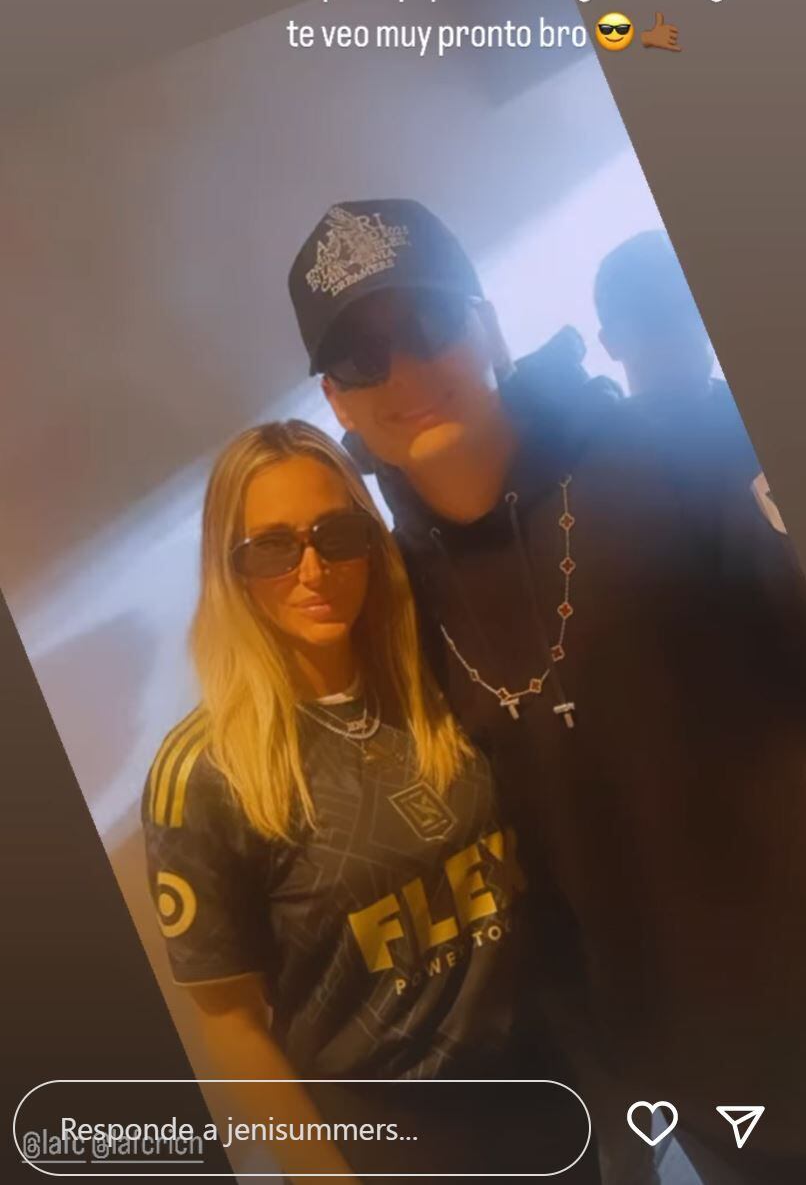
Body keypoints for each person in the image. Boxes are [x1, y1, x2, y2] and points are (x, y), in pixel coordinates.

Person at [288, 200, 806, 1185]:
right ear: (337, 399)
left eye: (430, 323)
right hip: (682, 1084)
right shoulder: (388, 612)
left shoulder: (672, 452)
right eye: (362, 356)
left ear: (485, 325)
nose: (406, 371)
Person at [142, 419, 597, 1182]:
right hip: (395, 1141)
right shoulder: (203, 772)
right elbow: (231, 1022)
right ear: (229, 567)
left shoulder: (435, 676)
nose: (312, 569)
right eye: (273, 546)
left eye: (337, 534)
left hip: (544, 1090)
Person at [594, 230, 761, 486]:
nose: (686, 327)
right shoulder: (598, 461)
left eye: (691, 305)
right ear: (611, 343)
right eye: (657, 313)